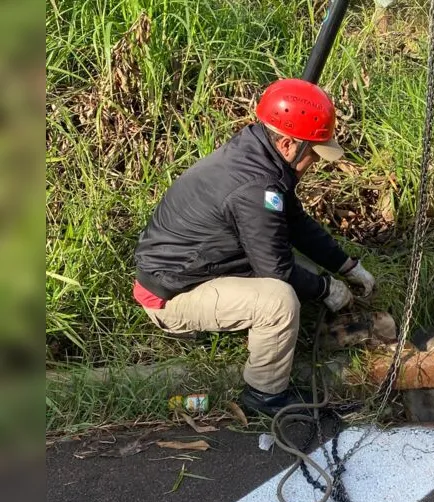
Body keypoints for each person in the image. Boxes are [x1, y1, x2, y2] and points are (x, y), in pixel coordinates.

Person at [132, 78, 376, 416]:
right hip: (172, 296)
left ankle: (269, 346)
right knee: (278, 300)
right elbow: (276, 272)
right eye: (314, 154)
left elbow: (295, 224)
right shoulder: (256, 188)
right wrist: (326, 288)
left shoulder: (259, 155)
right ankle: (266, 395)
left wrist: (346, 266)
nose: (316, 163)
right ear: (289, 145)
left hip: (193, 269)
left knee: (295, 267)